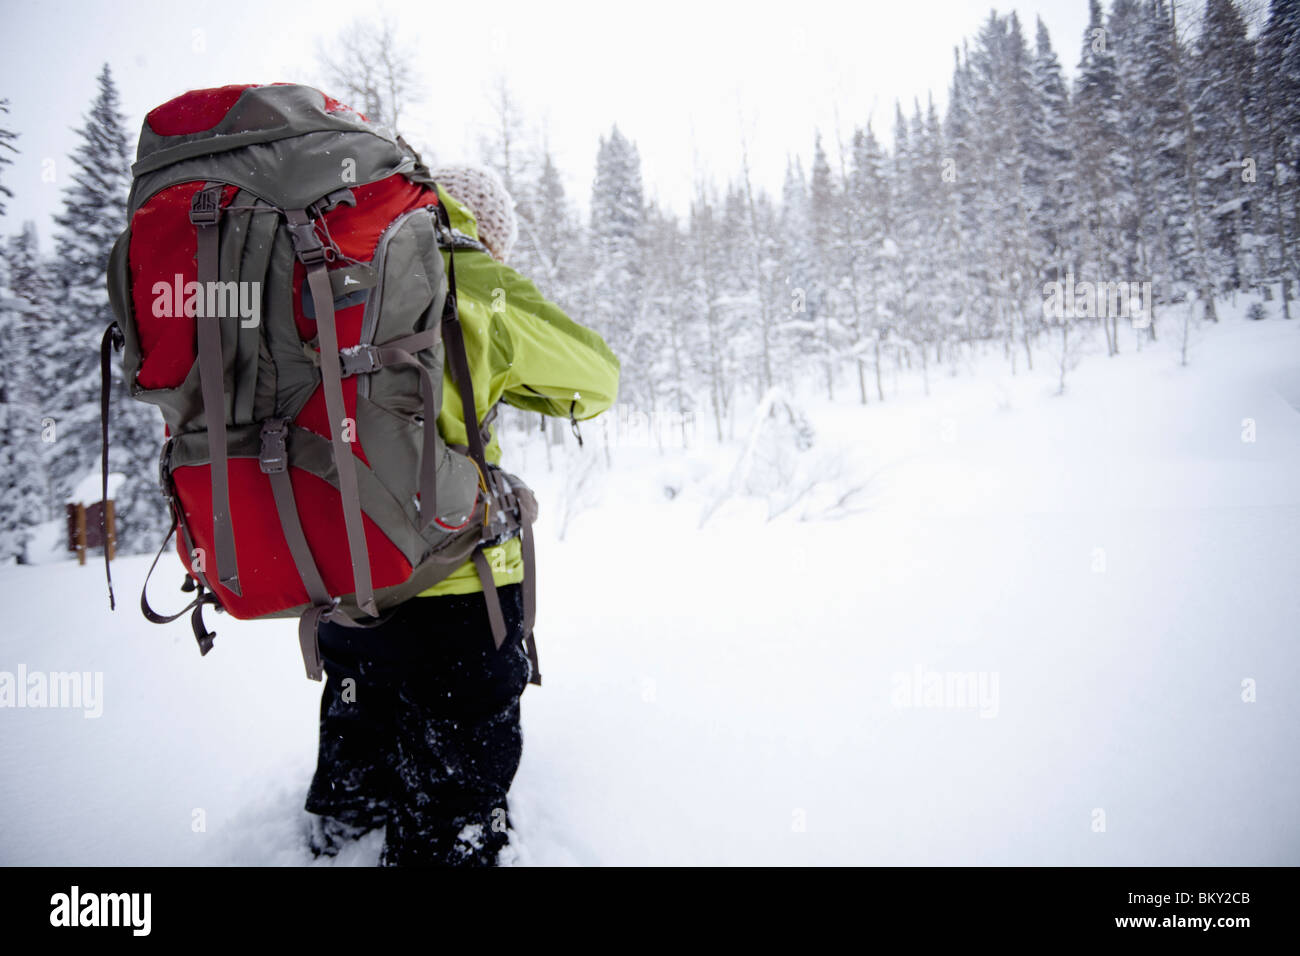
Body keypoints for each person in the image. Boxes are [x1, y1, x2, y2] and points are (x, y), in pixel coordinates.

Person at [302, 164, 620, 866]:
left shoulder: (325, 267)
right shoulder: (470, 275)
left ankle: (328, 844)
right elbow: (597, 377)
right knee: (454, 809)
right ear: (483, 229)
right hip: (457, 594)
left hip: (346, 586)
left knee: (355, 752)